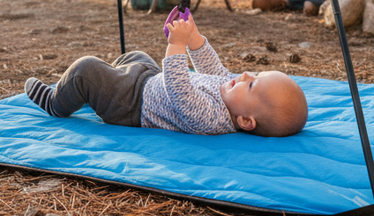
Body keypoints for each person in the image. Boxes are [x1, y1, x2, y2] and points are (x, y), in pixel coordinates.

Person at [23, 14, 308, 137]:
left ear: (246, 121)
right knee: (135, 56)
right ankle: (93, 92)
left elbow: (179, 89)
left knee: (86, 70)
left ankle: (56, 103)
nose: (245, 73)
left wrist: (177, 45)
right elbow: (211, 68)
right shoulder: (231, 93)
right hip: (148, 80)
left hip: (131, 105)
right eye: (254, 73)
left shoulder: (211, 119)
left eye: (252, 83)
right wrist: (195, 38)